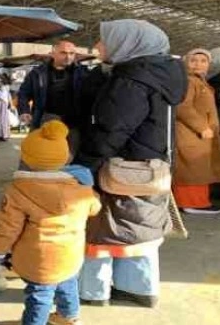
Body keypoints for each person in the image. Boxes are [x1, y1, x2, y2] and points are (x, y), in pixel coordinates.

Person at [75, 19, 187, 308]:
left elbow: (112, 129)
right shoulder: (161, 74)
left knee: (102, 228)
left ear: (128, 43)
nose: (98, 47)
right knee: (141, 227)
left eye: (104, 40)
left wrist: (83, 164)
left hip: (121, 167)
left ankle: (93, 291)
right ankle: (140, 287)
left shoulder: (130, 80)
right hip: (152, 166)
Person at [0, 120, 100, 325]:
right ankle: (69, 317)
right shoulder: (80, 186)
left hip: (38, 260)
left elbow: (7, 227)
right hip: (70, 254)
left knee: (39, 295)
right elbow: (94, 208)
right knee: (68, 283)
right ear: (64, 157)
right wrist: (88, 187)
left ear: (28, 159)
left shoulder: (19, 190)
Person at [173, 49, 220, 215]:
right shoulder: (189, 82)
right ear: (186, 62)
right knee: (192, 169)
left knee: (198, 169)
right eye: (193, 60)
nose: (198, 64)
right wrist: (201, 127)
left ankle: (198, 201)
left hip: (195, 134)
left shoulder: (199, 81)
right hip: (190, 133)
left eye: (203, 61)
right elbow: (182, 106)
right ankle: (192, 203)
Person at [17, 41, 87, 133]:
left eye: (71, 53)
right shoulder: (38, 73)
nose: (68, 57)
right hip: (46, 119)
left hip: (74, 122)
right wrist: (24, 110)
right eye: (63, 53)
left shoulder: (83, 73)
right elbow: (23, 93)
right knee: (44, 147)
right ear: (53, 54)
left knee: (73, 147)